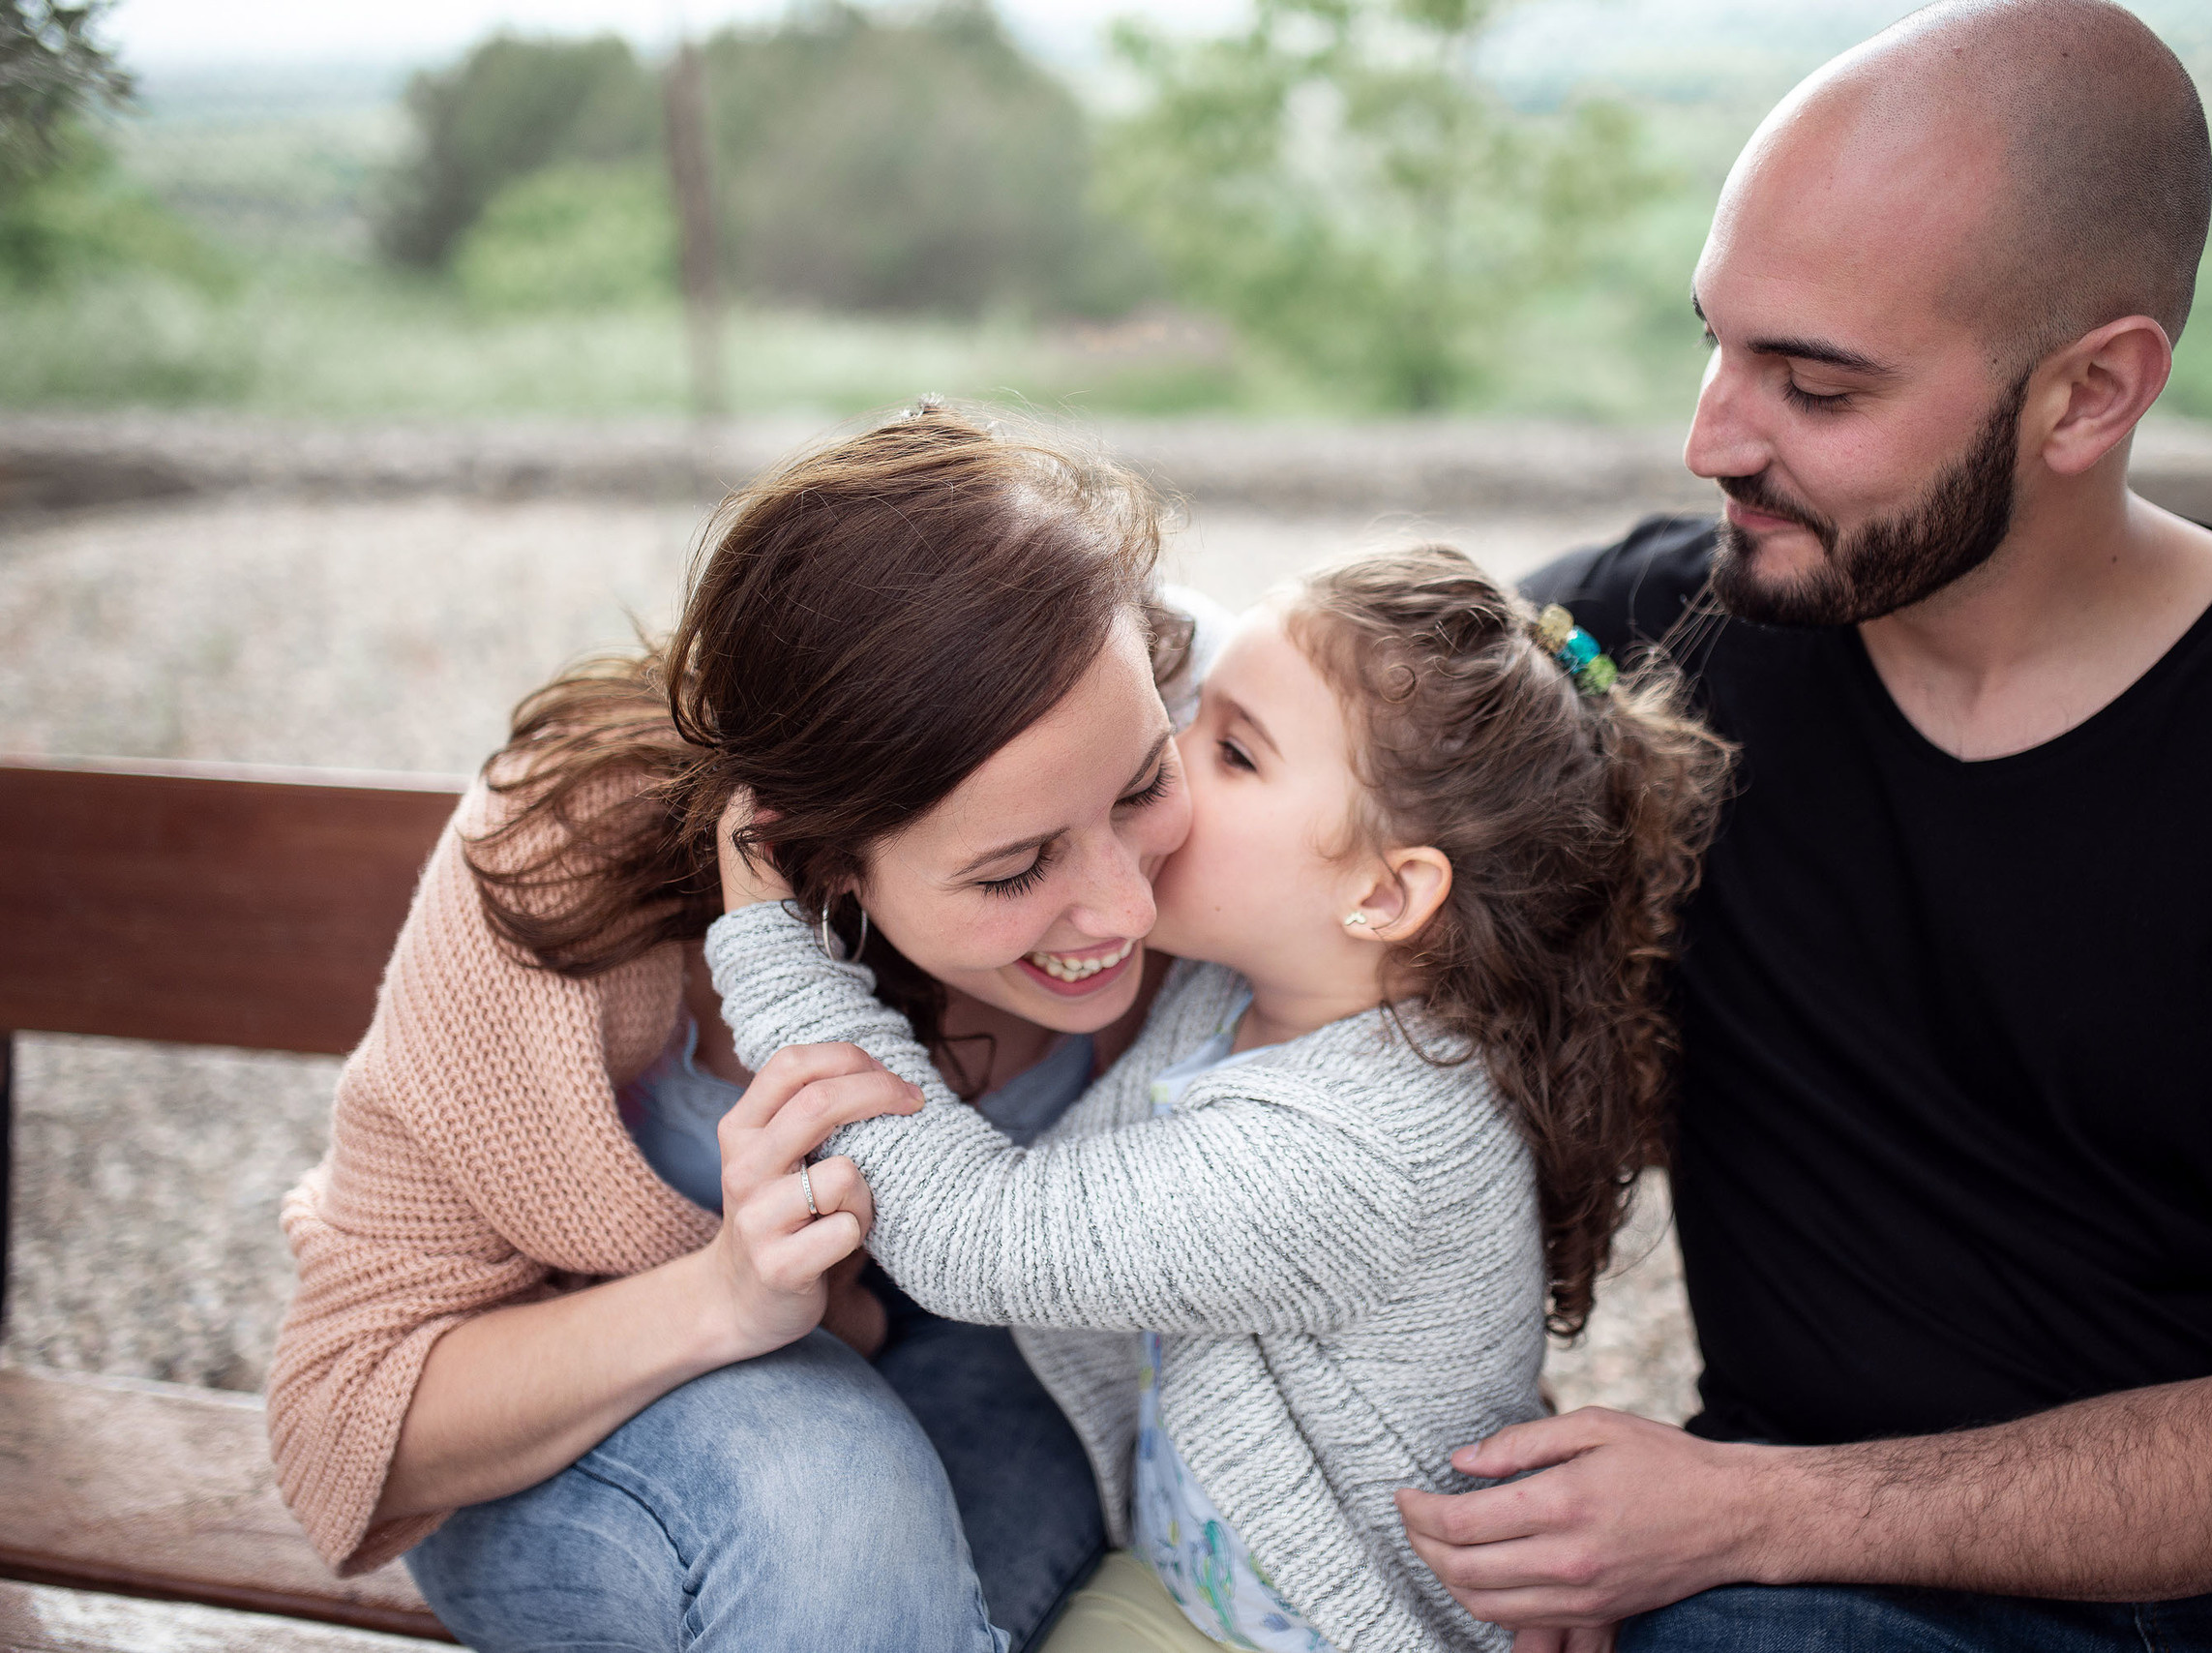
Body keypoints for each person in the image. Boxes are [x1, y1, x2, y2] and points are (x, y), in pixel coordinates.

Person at [1391, 3, 2212, 1649]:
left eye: (1815, 385)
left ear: (2089, 395)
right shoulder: (1633, 656)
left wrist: (1746, 1508)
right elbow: (1251, 742)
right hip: (1839, 1605)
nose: (1713, 439)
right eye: (1718, 341)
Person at [268, 406, 1200, 1650]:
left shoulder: (1185, 717)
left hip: (996, 1375)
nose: (1128, 906)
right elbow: (346, 1409)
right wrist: (726, 1296)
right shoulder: (560, 863)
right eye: (1013, 869)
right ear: (808, 856)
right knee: (824, 1493)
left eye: (1143, 784)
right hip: (607, 1432)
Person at [703, 546, 1730, 1653]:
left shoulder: (1350, 1150)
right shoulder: (1259, 987)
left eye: (1229, 749)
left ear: (1383, 892)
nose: (1164, 770)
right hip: (1200, 1584)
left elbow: (974, 1233)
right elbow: (1173, 646)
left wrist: (770, 948)